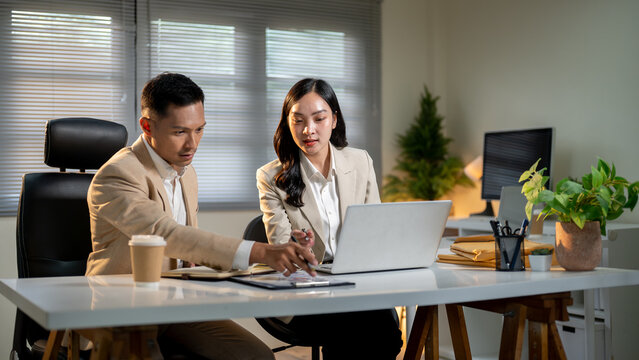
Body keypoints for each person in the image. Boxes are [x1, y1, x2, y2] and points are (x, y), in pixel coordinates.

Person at [86, 72, 317, 359]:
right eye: (180, 132)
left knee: (256, 356)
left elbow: (186, 249)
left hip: (175, 307)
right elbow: (166, 234)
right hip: (124, 310)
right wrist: (261, 252)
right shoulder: (118, 175)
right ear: (147, 126)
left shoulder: (187, 172)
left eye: (199, 130)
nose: (192, 144)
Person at [256, 78, 403, 359]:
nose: (308, 130)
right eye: (298, 120)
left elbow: (376, 230)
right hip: (306, 288)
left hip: (357, 285)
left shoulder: (361, 162)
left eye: (319, 118)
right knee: (365, 333)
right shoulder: (271, 176)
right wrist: (301, 251)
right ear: (288, 124)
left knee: (385, 335)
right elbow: (283, 247)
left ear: (334, 120)